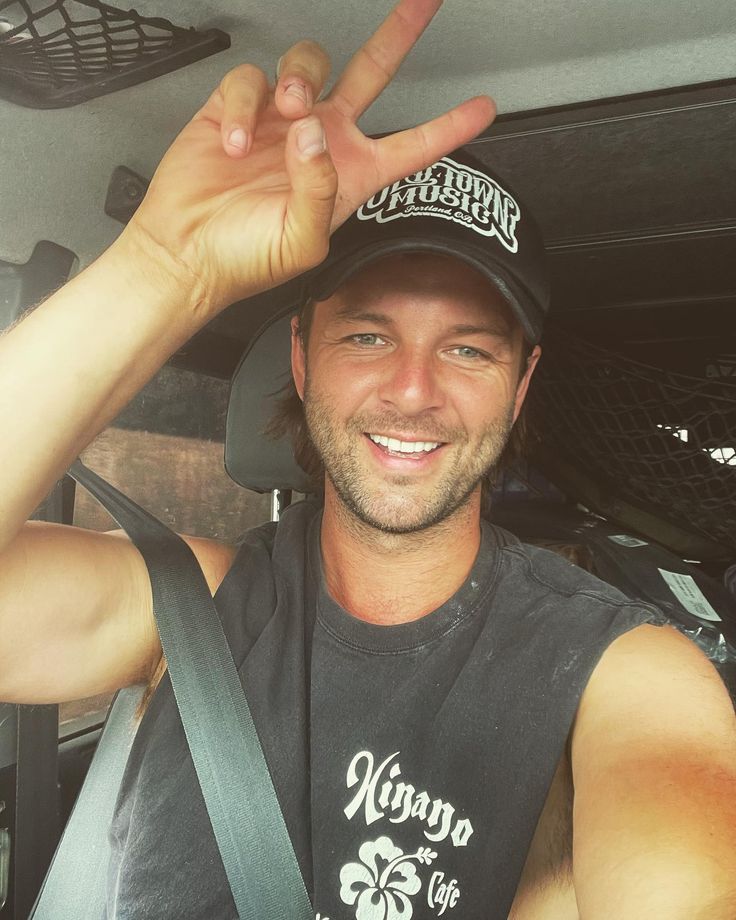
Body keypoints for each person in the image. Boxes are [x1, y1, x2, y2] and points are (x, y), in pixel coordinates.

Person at [0, 1, 734, 918]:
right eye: (367, 338)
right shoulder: (190, 607)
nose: (415, 390)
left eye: (468, 349)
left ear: (520, 384)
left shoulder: (622, 671)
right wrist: (162, 266)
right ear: (302, 361)